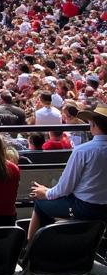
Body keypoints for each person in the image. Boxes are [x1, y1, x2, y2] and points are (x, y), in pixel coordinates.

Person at [29, 101, 107, 240]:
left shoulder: (83, 151)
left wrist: (46, 193)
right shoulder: (85, 150)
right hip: (102, 208)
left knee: (40, 204)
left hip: (85, 207)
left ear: (94, 124)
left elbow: (65, 188)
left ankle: (30, 250)